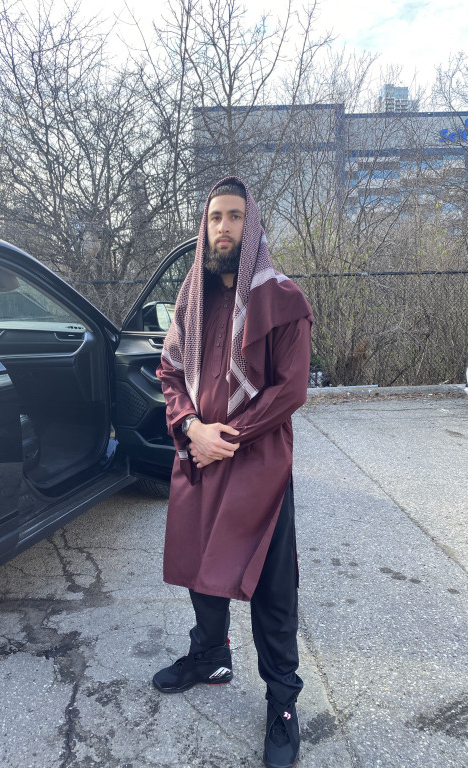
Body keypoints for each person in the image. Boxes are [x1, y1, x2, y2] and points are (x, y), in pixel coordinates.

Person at [153, 176, 312, 768]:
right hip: (199, 454)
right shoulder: (192, 298)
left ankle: (283, 704)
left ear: (252, 226)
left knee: (271, 586)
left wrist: (230, 438)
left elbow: (290, 390)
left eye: (235, 216)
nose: (224, 227)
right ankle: (209, 656)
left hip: (258, 465)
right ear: (205, 226)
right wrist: (191, 427)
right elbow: (170, 372)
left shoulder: (283, 299)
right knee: (201, 566)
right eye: (215, 217)